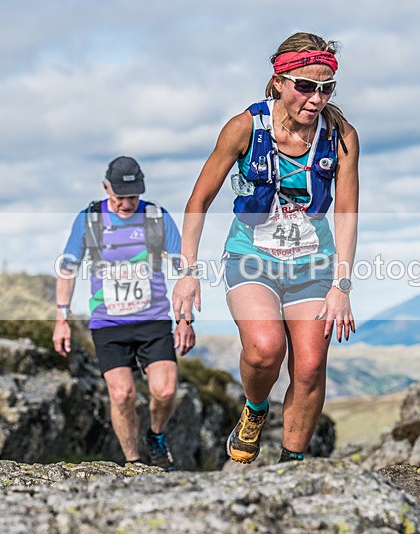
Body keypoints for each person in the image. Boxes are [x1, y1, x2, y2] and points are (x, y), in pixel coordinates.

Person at [172, 32, 359, 464]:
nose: (316, 98)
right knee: (264, 349)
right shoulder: (243, 128)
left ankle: (291, 467)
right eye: (305, 86)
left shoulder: (342, 136)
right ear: (278, 81)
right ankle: (255, 410)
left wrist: (342, 285)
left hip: (313, 265)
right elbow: (198, 202)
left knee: (310, 367)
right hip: (250, 258)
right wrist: (187, 272)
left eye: (326, 87)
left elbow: (346, 214)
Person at [53, 156, 195, 470]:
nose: (126, 205)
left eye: (132, 197)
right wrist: (62, 319)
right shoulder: (89, 219)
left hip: (153, 319)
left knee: (166, 389)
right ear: (106, 188)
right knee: (121, 395)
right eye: (119, 198)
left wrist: (185, 319)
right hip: (108, 322)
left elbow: (184, 269)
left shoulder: (156, 217)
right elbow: (67, 270)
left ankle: (156, 435)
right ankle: (134, 463)